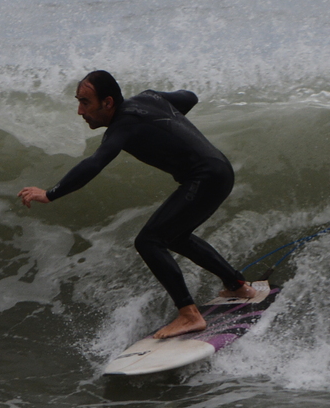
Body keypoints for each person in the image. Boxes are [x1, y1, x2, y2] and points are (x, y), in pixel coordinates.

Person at [18, 70, 261, 338]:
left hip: (204, 178)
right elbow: (189, 97)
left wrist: (50, 194)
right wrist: (166, 125)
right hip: (219, 169)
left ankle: (189, 315)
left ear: (108, 102)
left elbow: (94, 163)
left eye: (85, 102)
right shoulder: (149, 97)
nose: (79, 111)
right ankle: (237, 285)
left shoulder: (123, 125)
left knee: (149, 241)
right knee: (175, 237)